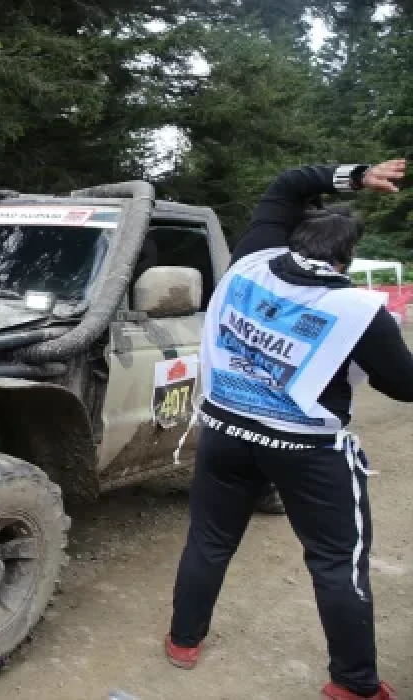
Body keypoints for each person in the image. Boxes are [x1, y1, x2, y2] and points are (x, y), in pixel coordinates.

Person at [164, 159, 409, 700]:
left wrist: (358, 174)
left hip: (226, 430)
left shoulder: (249, 262)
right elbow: (405, 386)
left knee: (209, 540)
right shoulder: (359, 311)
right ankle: (354, 684)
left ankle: (184, 641)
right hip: (308, 450)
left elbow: (285, 183)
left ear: (289, 236)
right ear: (347, 257)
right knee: (335, 562)